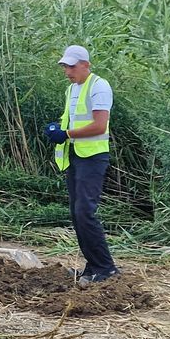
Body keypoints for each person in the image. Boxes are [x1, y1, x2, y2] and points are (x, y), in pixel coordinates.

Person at [44, 45, 119, 287]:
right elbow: (74, 121)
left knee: (85, 212)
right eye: (65, 66)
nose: (67, 71)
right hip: (76, 156)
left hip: (93, 157)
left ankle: (105, 268)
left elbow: (99, 126)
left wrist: (65, 133)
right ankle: (93, 266)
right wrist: (57, 129)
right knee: (77, 213)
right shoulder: (71, 89)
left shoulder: (99, 86)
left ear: (86, 64)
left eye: (72, 66)